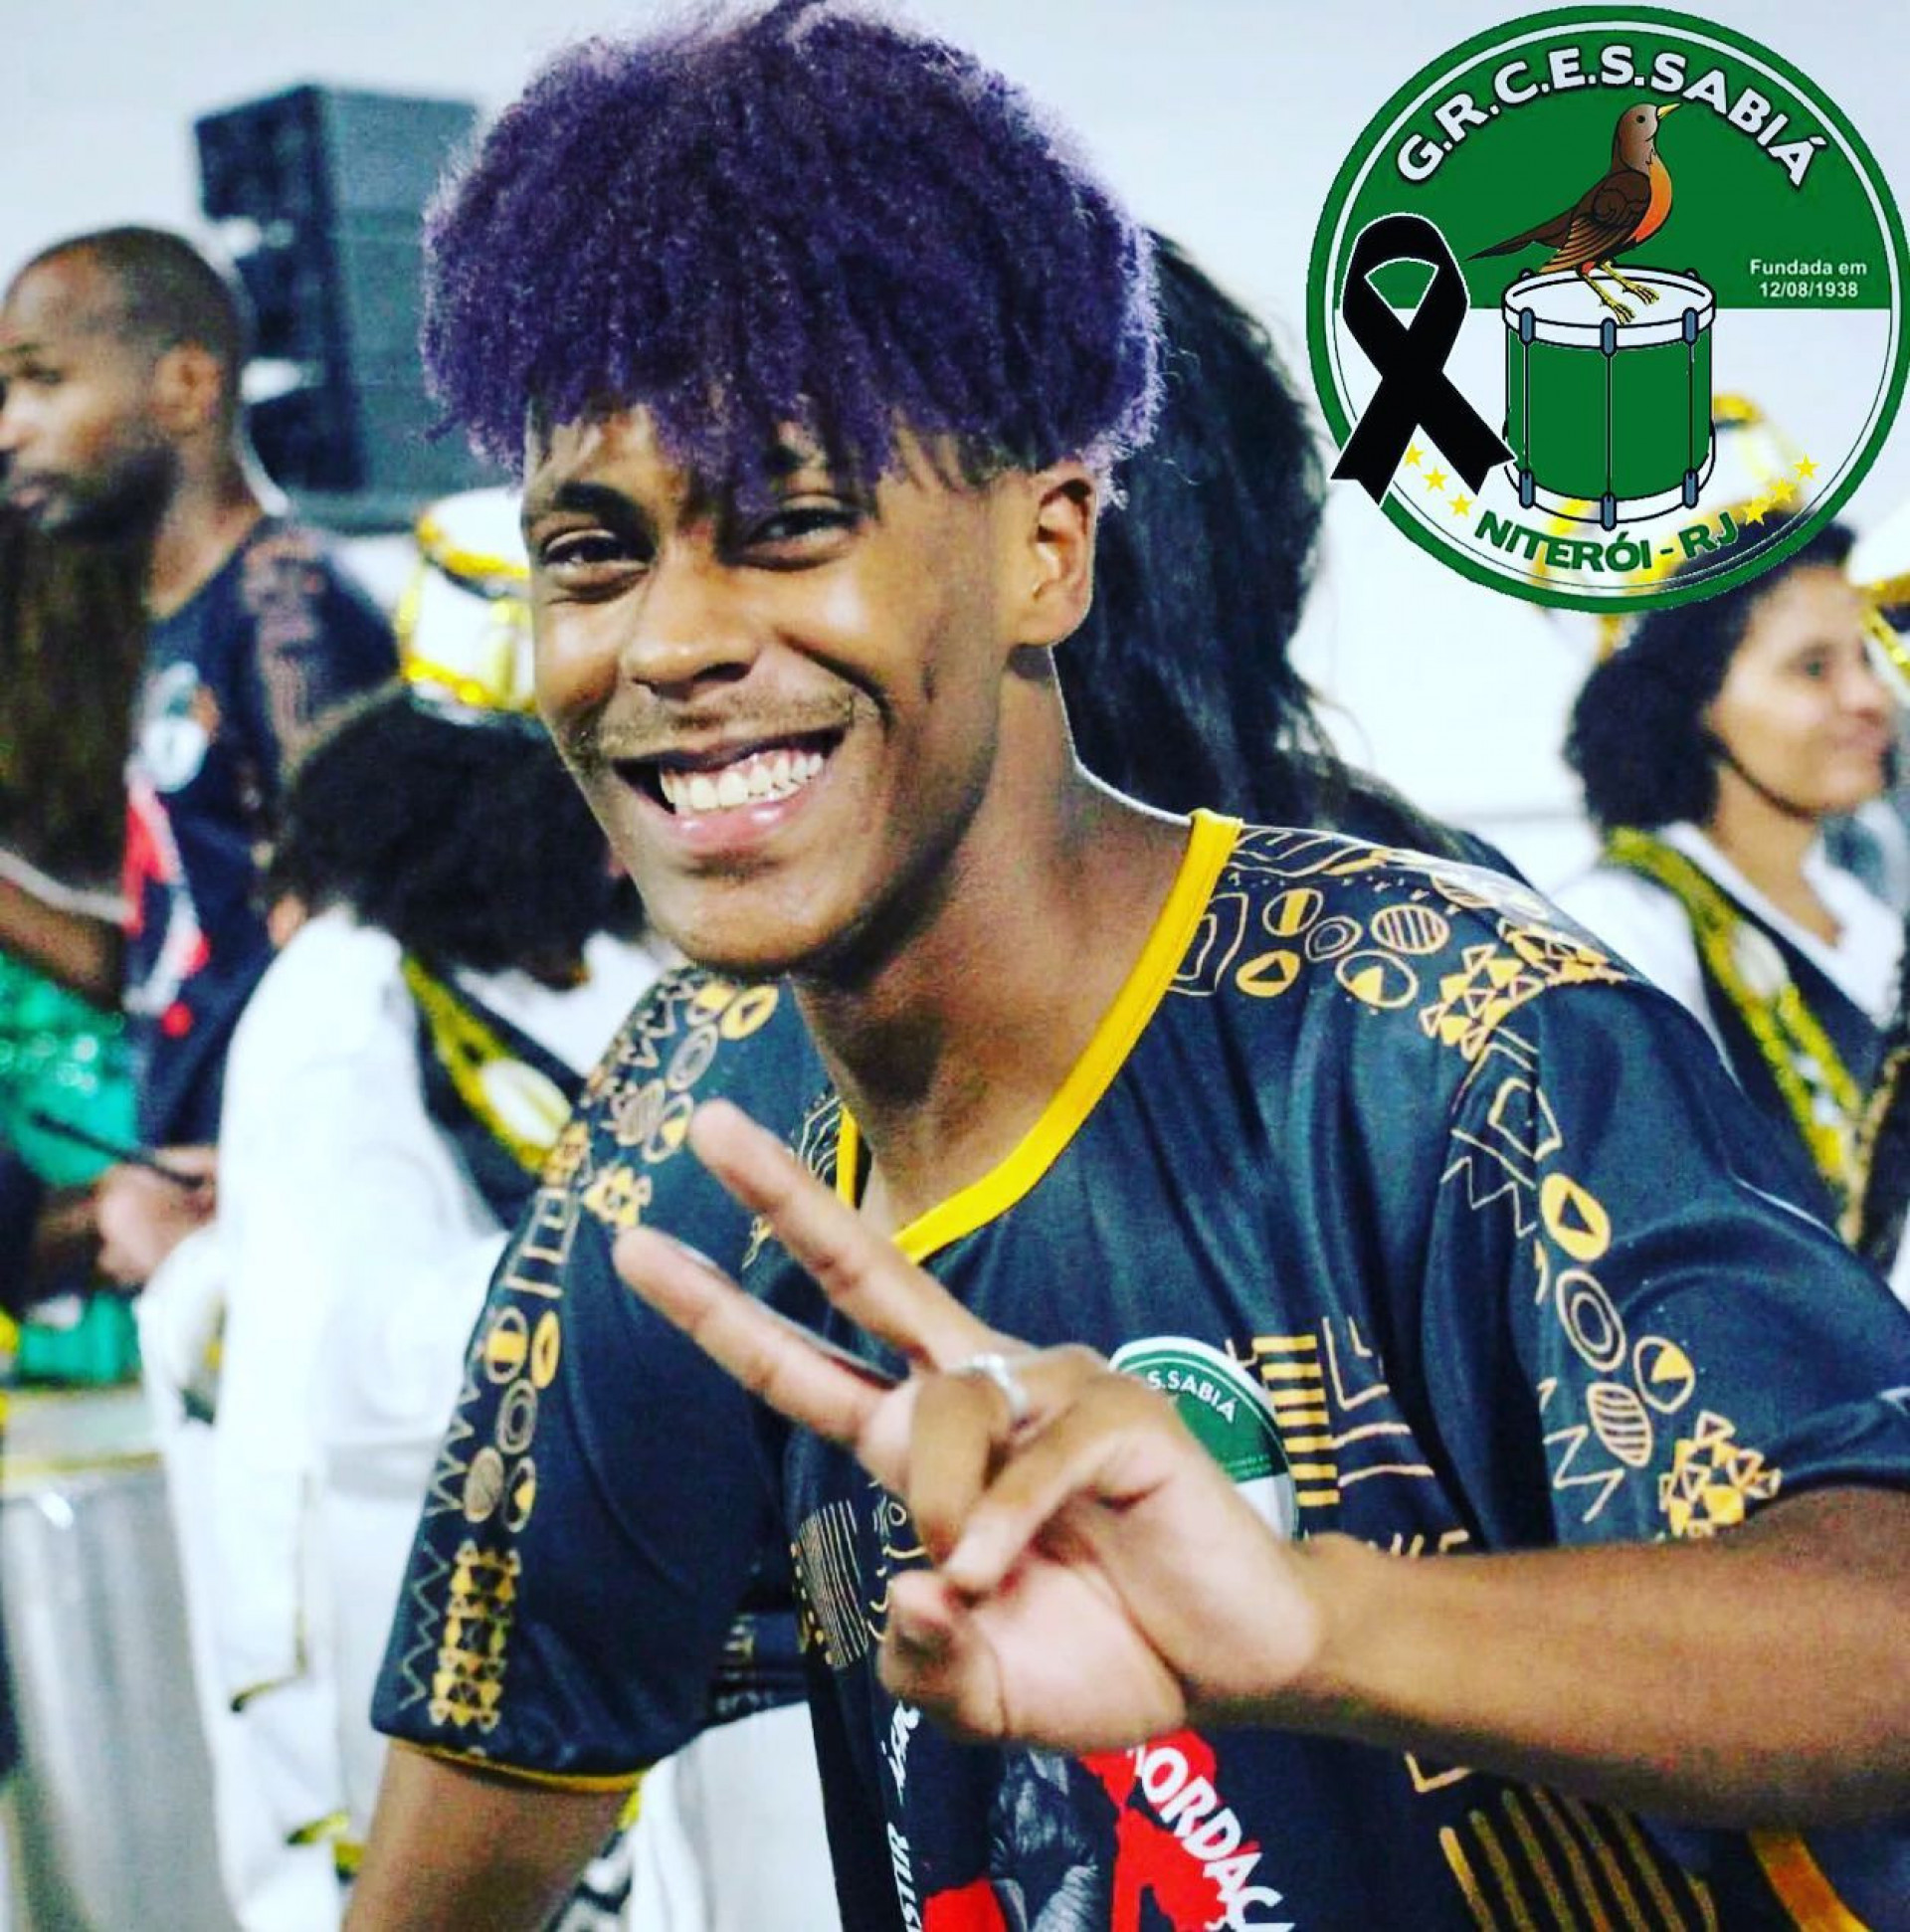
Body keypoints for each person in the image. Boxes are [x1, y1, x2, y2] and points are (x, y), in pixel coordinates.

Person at [351, 9, 1909, 1928]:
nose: (668, 641)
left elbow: (1881, 1628)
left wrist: (1316, 1623)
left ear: (1049, 549)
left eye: (793, 524)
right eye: (593, 555)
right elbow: (493, 1766)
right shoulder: (689, 1123)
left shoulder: (1444, 1036)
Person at [135, 674, 668, 1929]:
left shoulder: (566, 961)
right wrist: (652, 1267)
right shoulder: (351, 998)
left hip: (557, 1599)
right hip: (410, 1611)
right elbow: (364, 1365)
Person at [0, 225, 396, 1224]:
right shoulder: (183, 627)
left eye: (43, 379)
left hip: (317, 1206)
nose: (9, 428)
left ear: (184, 385)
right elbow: (169, 969)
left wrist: (271, 1165)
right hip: (228, 1200)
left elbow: (367, 952)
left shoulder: (285, 609)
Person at [1555, 527, 1901, 1225]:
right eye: (1813, 668)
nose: (1870, 697)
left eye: (1868, 656)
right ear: (1694, 698)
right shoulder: (1621, 932)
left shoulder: (1863, 912)